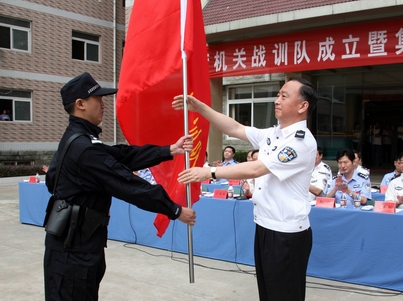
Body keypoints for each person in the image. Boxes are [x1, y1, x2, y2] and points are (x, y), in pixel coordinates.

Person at [43, 72, 196, 301]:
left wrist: (169, 150)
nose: (104, 105)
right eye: (98, 100)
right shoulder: (83, 148)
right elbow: (127, 184)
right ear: (80, 104)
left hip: (77, 245)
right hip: (73, 252)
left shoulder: (79, 139)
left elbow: (122, 155)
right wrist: (174, 210)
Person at [173, 77, 318, 301]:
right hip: (265, 226)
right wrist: (200, 107)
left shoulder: (300, 142)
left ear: (302, 106)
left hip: (286, 234)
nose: (277, 100)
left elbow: (256, 169)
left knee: (285, 295)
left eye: (284, 96)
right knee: (269, 294)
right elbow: (235, 127)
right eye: (278, 94)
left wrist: (209, 172)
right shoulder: (274, 134)